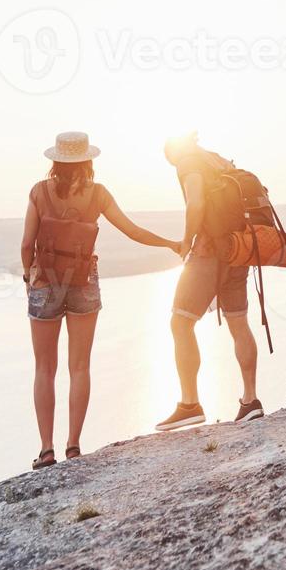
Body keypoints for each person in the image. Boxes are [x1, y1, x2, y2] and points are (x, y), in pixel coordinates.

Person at [22, 131, 179, 469]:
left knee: (44, 369)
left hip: (45, 281)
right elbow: (133, 231)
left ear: (55, 161)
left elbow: (26, 244)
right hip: (84, 281)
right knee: (80, 366)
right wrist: (171, 243)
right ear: (88, 160)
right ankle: (74, 446)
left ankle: (46, 450)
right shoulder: (99, 194)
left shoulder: (38, 191)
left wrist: (28, 277)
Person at [155, 133, 265, 431]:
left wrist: (187, 242)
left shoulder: (187, 161)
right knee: (239, 324)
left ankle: (190, 404)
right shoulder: (216, 159)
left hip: (208, 252)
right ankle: (250, 400)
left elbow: (196, 203)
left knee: (180, 323)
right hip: (238, 249)